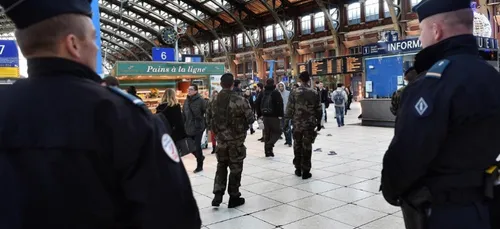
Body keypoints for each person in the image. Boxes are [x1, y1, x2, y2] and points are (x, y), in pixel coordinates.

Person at [0, 0, 201, 228]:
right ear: (73, 44)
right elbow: (175, 215)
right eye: (93, 39)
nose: (96, 48)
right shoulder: (123, 116)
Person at [381, 1, 500, 229]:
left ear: (436, 31)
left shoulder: (432, 84)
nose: (421, 39)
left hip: (443, 212)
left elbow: (407, 155)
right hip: (487, 206)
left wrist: (391, 189)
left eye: (421, 30)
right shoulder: (492, 77)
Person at [206, 73, 254, 208]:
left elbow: (208, 120)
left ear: (221, 84)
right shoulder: (240, 100)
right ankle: (234, 197)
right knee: (235, 168)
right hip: (236, 142)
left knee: (221, 166)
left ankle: (217, 194)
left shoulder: (213, 100)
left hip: (220, 141)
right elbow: (250, 118)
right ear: (232, 84)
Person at [285, 72, 322, 179]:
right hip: (309, 124)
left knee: (297, 145)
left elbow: (289, 108)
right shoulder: (314, 92)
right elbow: (319, 109)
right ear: (308, 79)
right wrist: (319, 122)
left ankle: (297, 168)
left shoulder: (294, 92)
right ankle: (306, 171)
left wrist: (287, 121)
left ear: (300, 79)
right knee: (307, 146)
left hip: (297, 123)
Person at [256, 79, 284, 157]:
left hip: (265, 116)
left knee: (267, 134)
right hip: (274, 116)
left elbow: (257, 103)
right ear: (273, 84)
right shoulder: (276, 93)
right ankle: (270, 144)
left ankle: (268, 152)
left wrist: (259, 114)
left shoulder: (263, 93)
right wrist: (280, 115)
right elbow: (280, 104)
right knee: (277, 132)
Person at [183, 84, 208, 173]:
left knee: (197, 146)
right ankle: (200, 157)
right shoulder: (186, 101)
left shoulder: (201, 100)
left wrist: (205, 123)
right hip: (188, 126)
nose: (189, 91)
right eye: (188, 89)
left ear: (196, 91)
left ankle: (199, 166)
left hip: (198, 127)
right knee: (190, 146)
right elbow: (184, 114)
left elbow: (207, 112)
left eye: (191, 89)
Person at [277, 82, 292, 147]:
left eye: (282, 86)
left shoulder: (288, 93)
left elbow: (291, 102)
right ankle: (286, 140)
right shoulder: (278, 94)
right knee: (283, 127)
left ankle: (290, 141)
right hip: (281, 113)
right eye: (279, 86)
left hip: (287, 113)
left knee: (288, 127)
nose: (281, 87)